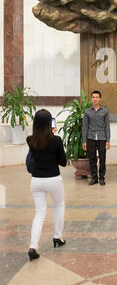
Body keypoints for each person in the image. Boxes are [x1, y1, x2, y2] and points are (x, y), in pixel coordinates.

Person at [27, 109, 67, 261]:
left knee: (39, 213)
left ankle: (33, 246)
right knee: (59, 205)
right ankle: (58, 237)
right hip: (53, 179)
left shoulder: (30, 140)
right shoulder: (56, 140)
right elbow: (63, 162)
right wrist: (55, 136)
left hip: (36, 180)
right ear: (50, 123)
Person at [82, 90, 110, 186]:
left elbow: (107, 126)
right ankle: (94, 178)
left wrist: (108, 140)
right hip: (91, 138)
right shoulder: (87, 112)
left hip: (102, 138)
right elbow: (85, 127)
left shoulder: (105, 111)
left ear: (100, 99)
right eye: (93, 97)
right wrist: (84, 141)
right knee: (92, 159)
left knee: (102, 158)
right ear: (91, 99)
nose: (95, 99)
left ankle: (102, 178)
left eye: (97, 97)